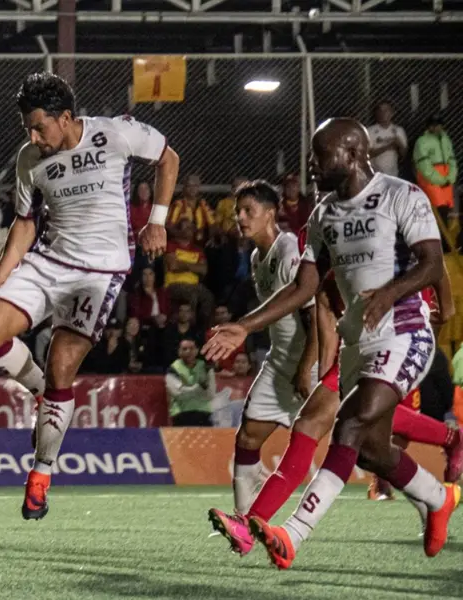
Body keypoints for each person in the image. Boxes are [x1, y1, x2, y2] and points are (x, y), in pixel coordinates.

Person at [203, 118, 459, 569]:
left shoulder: (401, 195)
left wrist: (392, 292)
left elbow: (432, 262)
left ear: (355, 154)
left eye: (321, 156)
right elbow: (304, 287)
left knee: (349, 428)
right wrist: (246, 325)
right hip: (355, 342)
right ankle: (437, 497)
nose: (313, 166)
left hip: (404, 332)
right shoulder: (323, 214)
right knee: (373, 449)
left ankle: (292, 534)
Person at [0, 72, 179, 520]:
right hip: (49, 261)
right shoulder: (30, 158)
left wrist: (157, 220)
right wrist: (1, 275)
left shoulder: (115, 132)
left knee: (63, 367)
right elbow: (25, 222)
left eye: (40, 126)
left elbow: (167, 157)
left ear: (66, 118)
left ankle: (41, 475)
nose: (33, 135)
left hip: (100, 274)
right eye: (27, 127)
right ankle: (42, 392)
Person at [204, 181, 316, 519]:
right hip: (279, 361)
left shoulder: (289, 250)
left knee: (362, 438)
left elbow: (313, 317)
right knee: (248, 438)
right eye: (238, 211)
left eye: (247, 211)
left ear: (271, 213)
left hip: (308, 363)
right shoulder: (255, 257)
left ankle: (430, 485)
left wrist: (306, 368)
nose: (239, 217)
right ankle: (242, 520)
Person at [414, 114, 457, 221]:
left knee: (446, 209)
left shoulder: (446, 139)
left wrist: (451, 177)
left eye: (438, 125)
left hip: (446, 179)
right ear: (428, 127)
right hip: (432, 181)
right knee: (436, 210)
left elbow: (451, 159)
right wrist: (440, 180)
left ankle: (445, 236)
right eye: (433, 125)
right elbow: (423, 165)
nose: (436, 128)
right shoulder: (422, 141)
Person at [165, 339, 215, 426]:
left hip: (204, 414)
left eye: (191, 348)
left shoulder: (206, 368)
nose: (188, 351)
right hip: (181, 414)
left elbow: (211, 394)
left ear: (197, 351)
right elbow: (179, 394)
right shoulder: (172, 370)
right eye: (184, 349)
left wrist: (186, 389)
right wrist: (199, 387)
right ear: (179, 352)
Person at [368, 101, 408, 178]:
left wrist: (399, 144)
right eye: (380, 110)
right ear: (376, 113)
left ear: (392, 113)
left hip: (393, 174)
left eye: (386, 110)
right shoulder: (370, 131)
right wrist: (388, 147)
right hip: (375, 174)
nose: (383, 113)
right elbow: (368, 155)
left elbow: (403, 156)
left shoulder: (399, 130)